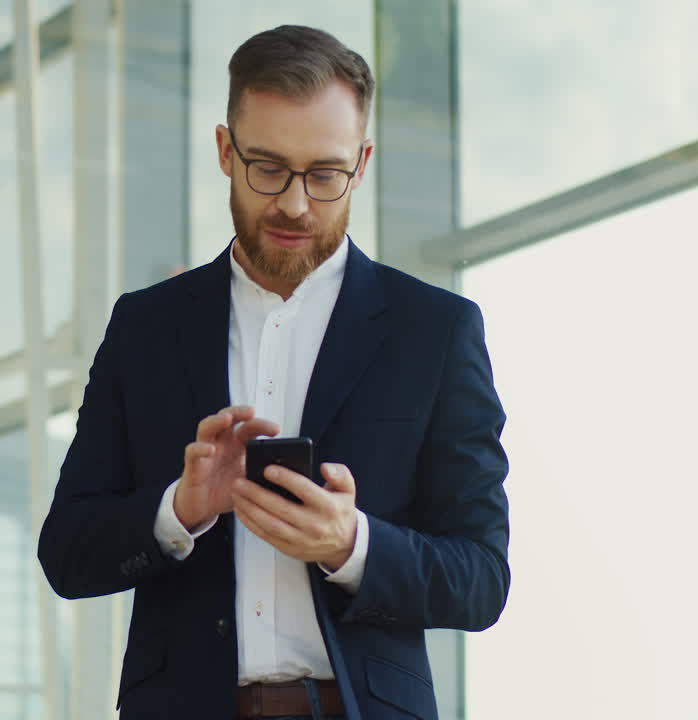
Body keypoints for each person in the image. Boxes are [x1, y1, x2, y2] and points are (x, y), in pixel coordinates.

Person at [37, 24, 510, 720]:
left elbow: (483, 578)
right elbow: (66, 554)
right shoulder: (144, 327)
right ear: (225, 151)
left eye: (324, 175)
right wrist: (181, 510)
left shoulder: (436, 331)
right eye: (268, 168)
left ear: (362, 163)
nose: (294, 203)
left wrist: (351, 545)